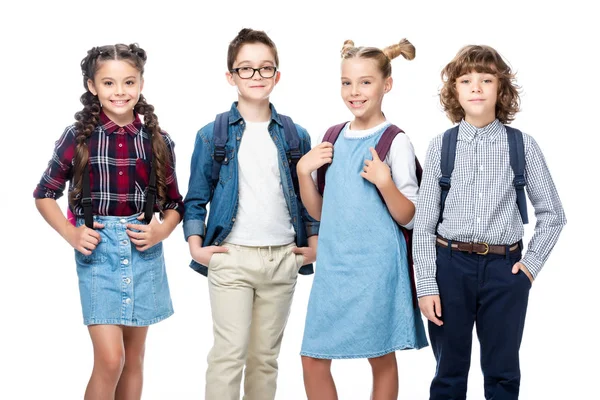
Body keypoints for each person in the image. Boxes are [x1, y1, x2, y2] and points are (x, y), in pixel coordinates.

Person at [413, 44, 567, 400]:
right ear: (455, 90)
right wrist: (426, 285)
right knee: (448, 373)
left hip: (505, 270)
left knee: (502, 374)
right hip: (449, 268)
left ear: (501, 88)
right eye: (466, 80)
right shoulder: (441, 146)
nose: (476, 87)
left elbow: (553, 214)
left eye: (486, 79)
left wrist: (529, 267)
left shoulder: (522, 146)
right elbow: (424, 224)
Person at [33, 43, 184, 400]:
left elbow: (175, 204)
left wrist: (162, 229)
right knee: (110, 359)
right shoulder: (78, 138)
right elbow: (44, 194)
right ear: (92, 87)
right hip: (98, 255)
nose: (120, 92)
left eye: (128, 82)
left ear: (141, 84)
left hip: (143, 252)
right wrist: (71, 233)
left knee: (133, 359)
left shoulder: (158, 141)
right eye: (109, 83)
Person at [183, 28, 319, 400]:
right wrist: (197, 247)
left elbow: (309, 198)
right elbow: (196, 198)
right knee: (229, 355)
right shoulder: (213, 134)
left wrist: (314, 246)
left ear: (277, 76)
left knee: (265, 359)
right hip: (232, 258)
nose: (256, 77)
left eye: (265, 69)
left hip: (283, 258)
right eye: (246, 69)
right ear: (231, 77)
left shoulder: (296, 135)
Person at [296, 38, 428, 400]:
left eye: (365, 82)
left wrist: (385, 182)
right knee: (312, 358)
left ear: (387, 85)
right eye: (346, 82)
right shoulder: (332, 137)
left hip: (377, 268)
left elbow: (409, 217)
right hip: (335, 268)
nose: (354, 92)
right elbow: (321, 212)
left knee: (380, 355)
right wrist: (303, 172)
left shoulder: (394, 141)